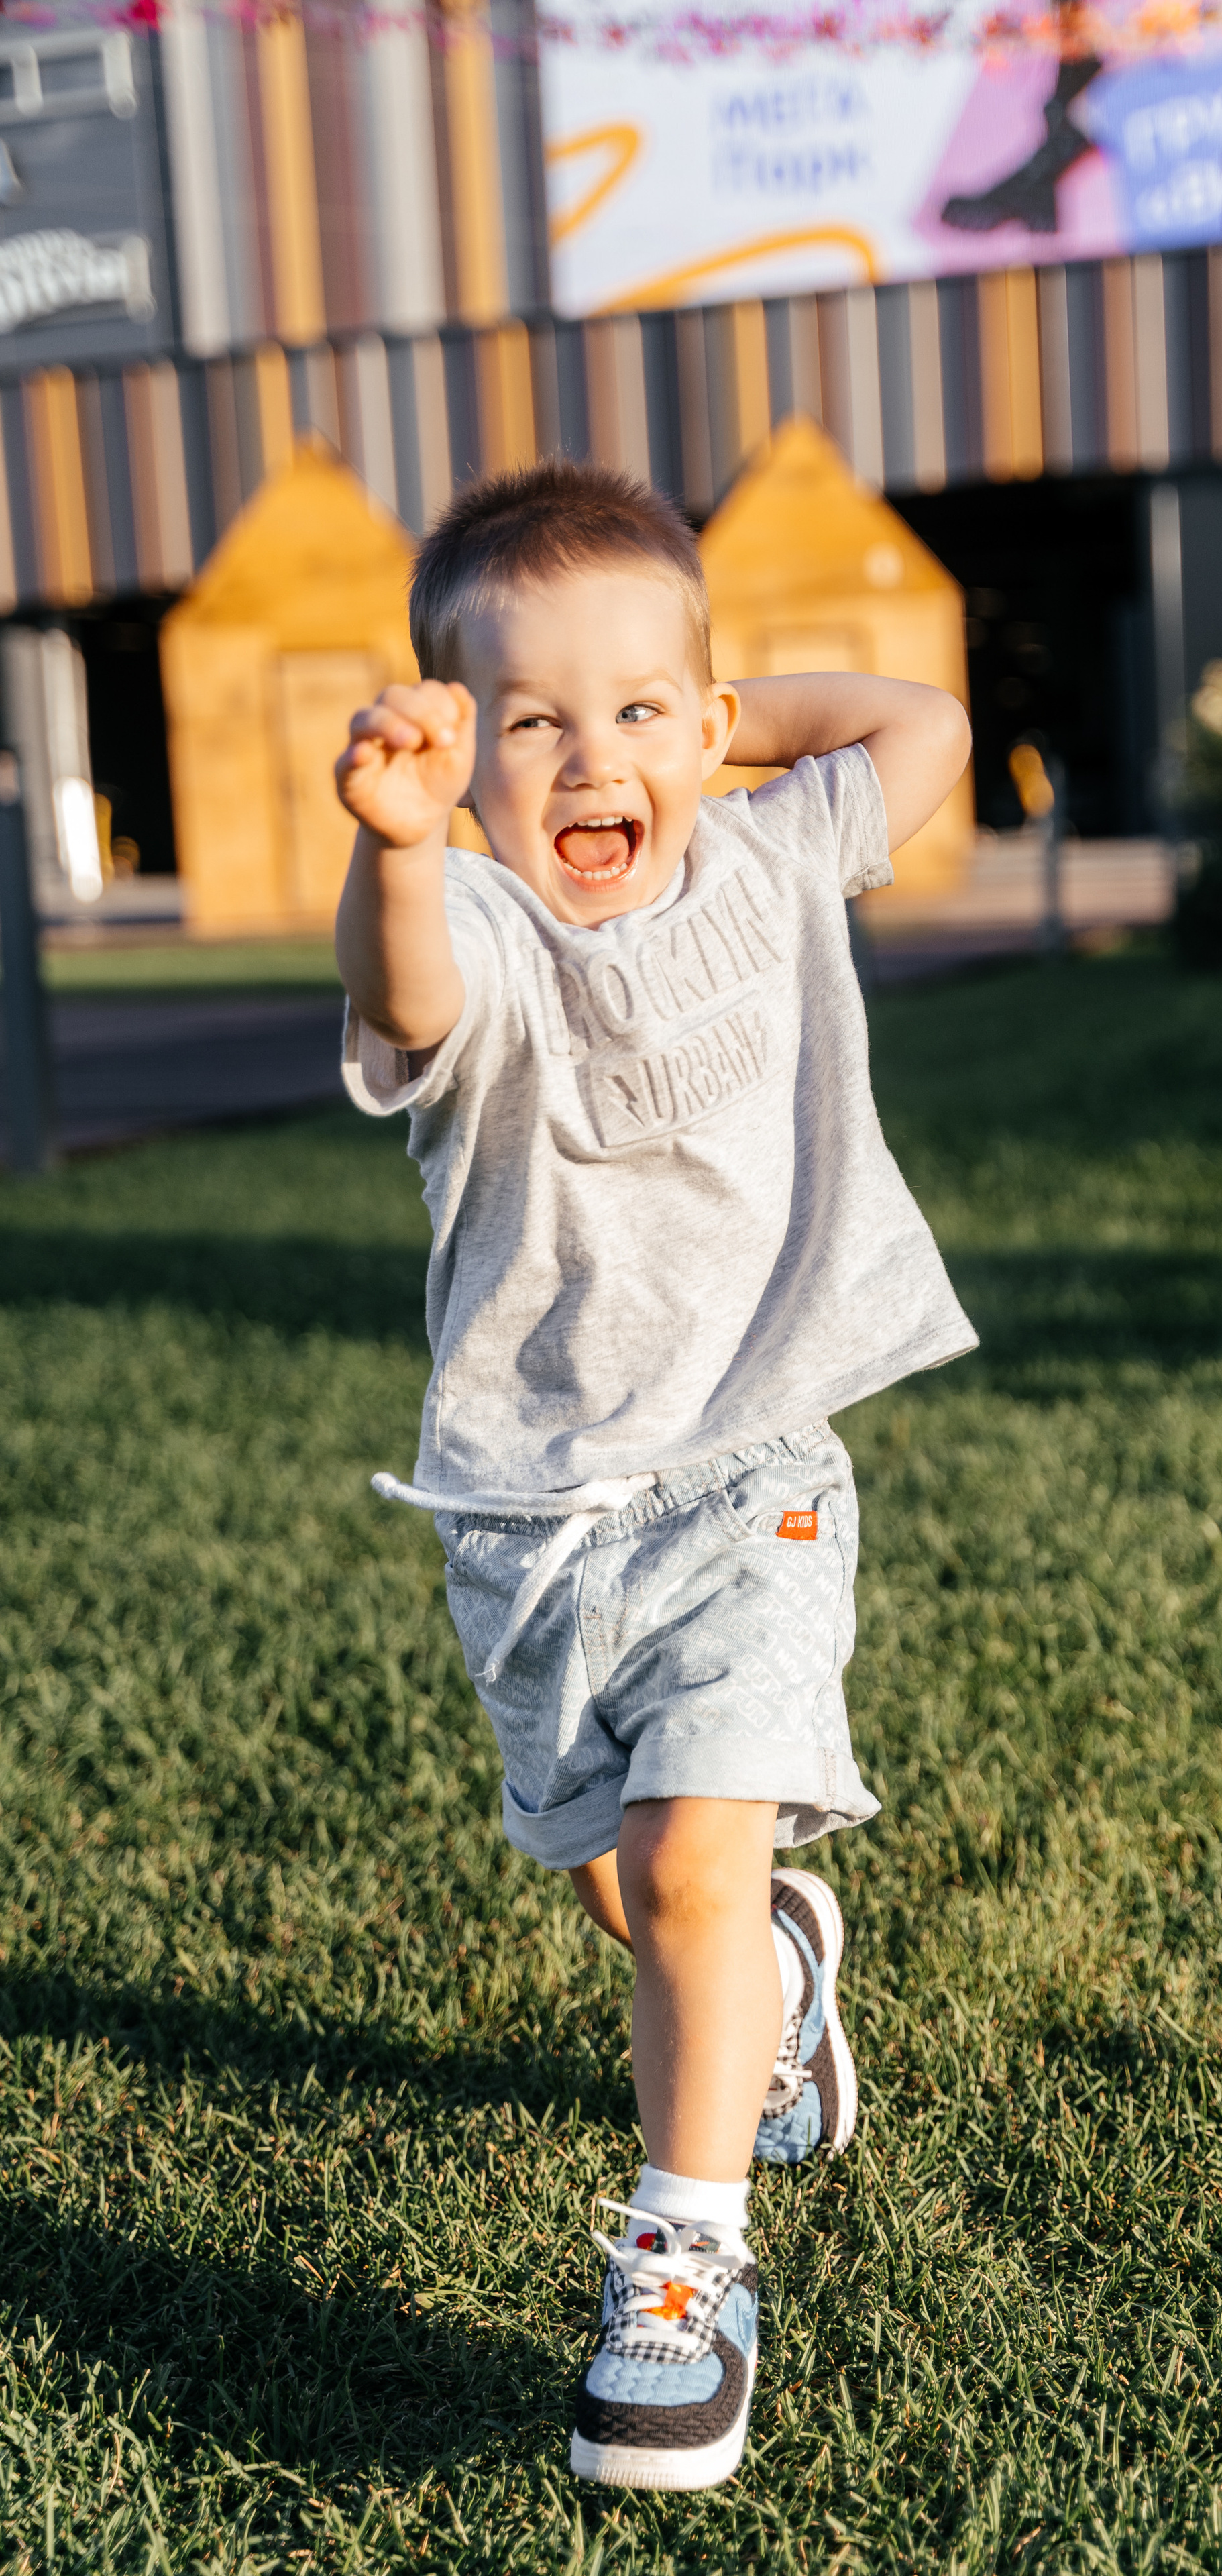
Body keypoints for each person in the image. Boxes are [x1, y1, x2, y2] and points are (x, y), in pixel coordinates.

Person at [331, 458, 976, 2493]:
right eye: (533, 722)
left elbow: (926, 733)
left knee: (696, 1857)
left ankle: (684, 2265)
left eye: (634, 713)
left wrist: (716, 714)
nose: (590, 756)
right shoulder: (490, 936)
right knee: (640, 1895)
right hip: (530, 1521)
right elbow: (399, 992)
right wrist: (400, 847)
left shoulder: (775, 854)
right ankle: (774, 1976)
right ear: (470, 764)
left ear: (701, 732)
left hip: (756, 1468)